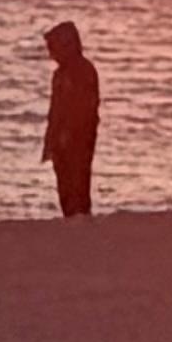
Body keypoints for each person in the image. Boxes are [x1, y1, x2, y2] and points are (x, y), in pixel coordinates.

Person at [41, 20, 100, 216]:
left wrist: (70, 134)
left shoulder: (83, 71)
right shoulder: (60, 74)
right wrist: (51, 141)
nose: (51, 54)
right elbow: (55, 110)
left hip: (78, 139)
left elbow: (85, 110)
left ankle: (80, 223)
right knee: (65, 188)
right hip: (62, 141)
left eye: (54, 48)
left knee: (78, 187)